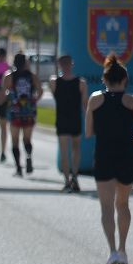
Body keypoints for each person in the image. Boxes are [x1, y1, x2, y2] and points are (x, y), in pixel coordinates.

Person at [85, 54, 133, 264]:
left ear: (105, 80)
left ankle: (112, 251)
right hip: (127, 155)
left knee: (106, 206)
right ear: (124, 80)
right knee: (123, 204)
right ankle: (123, 248)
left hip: (104, 155)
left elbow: (89, 131)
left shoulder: (94, 100)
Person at [0, 53, 41, 176]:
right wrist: (34, 101)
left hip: (15, 111)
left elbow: (4, 94)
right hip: (28, 111)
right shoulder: (32, 76)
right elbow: (40, 91)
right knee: (27, 139)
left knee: (15, 141)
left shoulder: (9, 76)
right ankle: (29, 155)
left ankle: (18, 168)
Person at [50, 55, 88, 192]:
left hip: (64, 118)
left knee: (65, 150)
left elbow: (84, 104)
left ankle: (68, 180)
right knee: (74, 150)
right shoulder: (81, 83)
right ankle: (73, 177)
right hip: (73, 119)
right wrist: (89, 120)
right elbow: (85, 105)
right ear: (72, 64)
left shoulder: (54, 82)